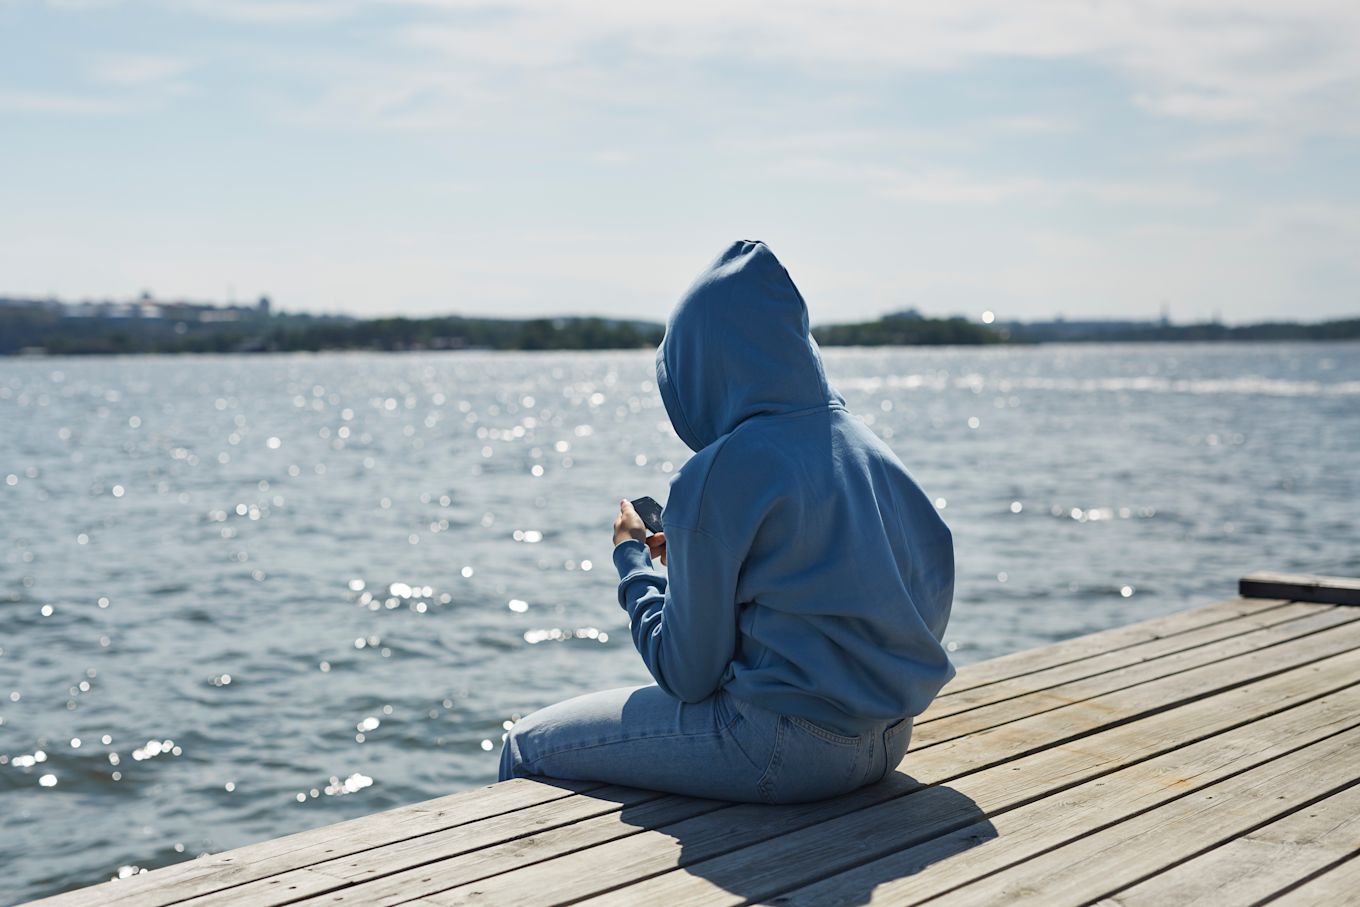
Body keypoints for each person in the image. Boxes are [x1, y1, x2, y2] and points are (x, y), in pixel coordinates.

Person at [498, 240, 954, 804]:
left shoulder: (716, 472)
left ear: (699, 368)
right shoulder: (871, 450)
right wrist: (700, 563)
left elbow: (688, 675)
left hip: (780, 749)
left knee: (526, 744)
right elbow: (882, 595)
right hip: (889, 740)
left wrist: (632, 561)